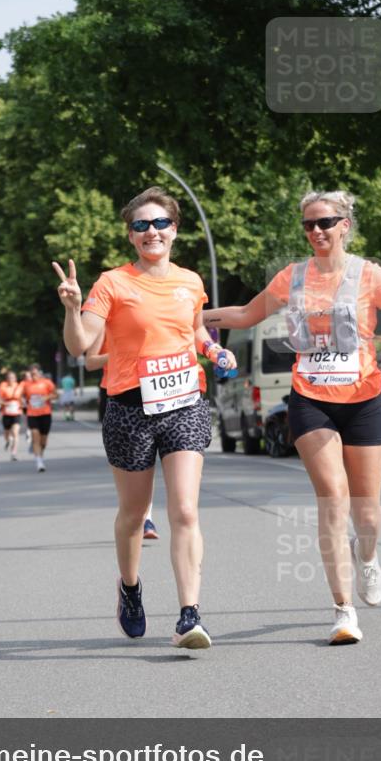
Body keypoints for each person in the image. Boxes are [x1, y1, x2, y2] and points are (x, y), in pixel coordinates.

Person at [204, 190, 381, 645]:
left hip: (365, 400)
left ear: (345, 224)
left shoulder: (371, 275)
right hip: (310, 400)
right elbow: (247, 315)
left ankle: (366, 556)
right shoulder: (293, 277)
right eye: (308, 225)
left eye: (325, 222)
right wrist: (185, 314)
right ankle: (343, 611)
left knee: (367, 509)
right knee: (332, 497)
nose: (317, 231)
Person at [53, 185, 237, 650]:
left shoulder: (191, 281)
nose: (151, 231)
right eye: (141, 225)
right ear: (131, 236)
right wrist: (74, 309)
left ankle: (189, 615)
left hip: (185, 403)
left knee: (185, 510)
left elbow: (194, 331)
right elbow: (80, 345)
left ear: (174, 229)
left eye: (159, 223)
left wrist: (215, 350)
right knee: (134, 516)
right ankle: (130, 588)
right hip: (130, 408)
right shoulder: (112, 283)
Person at [86, 336, 160, 542]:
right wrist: (119, 354)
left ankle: (147, 518)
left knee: (147, 458)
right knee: (130, 465)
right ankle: (133, 513)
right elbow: (90, 362)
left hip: (149, 387)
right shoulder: (101, 324)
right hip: (116, 393)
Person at [18, 364, 57, 472]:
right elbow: (21, 396)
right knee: (35, 437)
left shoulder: (47, 382)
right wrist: (22, 401)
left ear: (40, 373)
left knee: (43, 441)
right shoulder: (26, 384)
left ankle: (40, 454)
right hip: (32, 414)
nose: (33, 376)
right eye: (31, 374)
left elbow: (55, 394)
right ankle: (39, 461)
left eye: (34, 373)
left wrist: (47, 397)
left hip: (45, 414)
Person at [0, 370, 22, 460]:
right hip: (7, 413)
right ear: (6, 379)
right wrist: (5, 404)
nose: (10, 379)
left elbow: (23, 397)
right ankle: (8, 441)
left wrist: (23, 403)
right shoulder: (3, 387)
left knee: (15, 432)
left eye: (12, 378)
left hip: (16, 413)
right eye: (9, 378)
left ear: (15, 378)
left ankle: (14, 453)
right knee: (7, 434)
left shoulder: (19, 387)